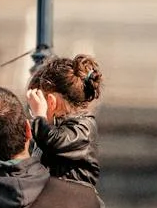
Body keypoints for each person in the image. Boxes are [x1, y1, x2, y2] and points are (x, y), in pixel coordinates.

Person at [26, 53, 104, 188]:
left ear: (51, 102)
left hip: (78, 204)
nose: (32, 115)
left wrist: (40, 115)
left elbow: (54, 141)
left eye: (34, 108)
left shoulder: (84, 129)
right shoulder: (52, 129)